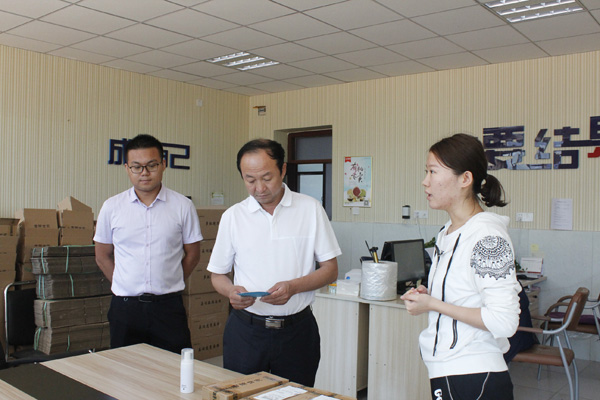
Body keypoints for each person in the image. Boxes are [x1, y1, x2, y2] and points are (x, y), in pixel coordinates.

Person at [208, 138, 341, 386]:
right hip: (245, 331)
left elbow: (330, 270)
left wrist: (293, 287)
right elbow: (218, 275)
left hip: (297, 332)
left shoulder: (310, 209)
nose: (259, 188)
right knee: (242, 393)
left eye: (267, 178)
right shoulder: (233, 216)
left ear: (283, 169)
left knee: (296, 394)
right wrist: (231, 292)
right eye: (250, 180)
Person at [401, 133, 521, 400]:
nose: (425, 181)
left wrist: (433, 304)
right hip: (448, 369)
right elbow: (462, 293)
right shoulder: (448, 232)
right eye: (426, 172)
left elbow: (504, 321)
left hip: (474, 375)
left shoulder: (487, 237)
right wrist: (428, 296)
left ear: (465, 179)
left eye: (433, 172)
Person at [94, 134, 202, 354]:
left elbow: (193, 254)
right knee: (124, 369)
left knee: (174, 368)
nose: (144, 172)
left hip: (168, 307)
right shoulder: (112, 207)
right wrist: (123, 283)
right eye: (137, 167)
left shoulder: (182, 206)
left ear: (163, 165)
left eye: (151, 165)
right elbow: (102, 255)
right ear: (127, 168)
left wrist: (171, 279)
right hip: (125, 308)